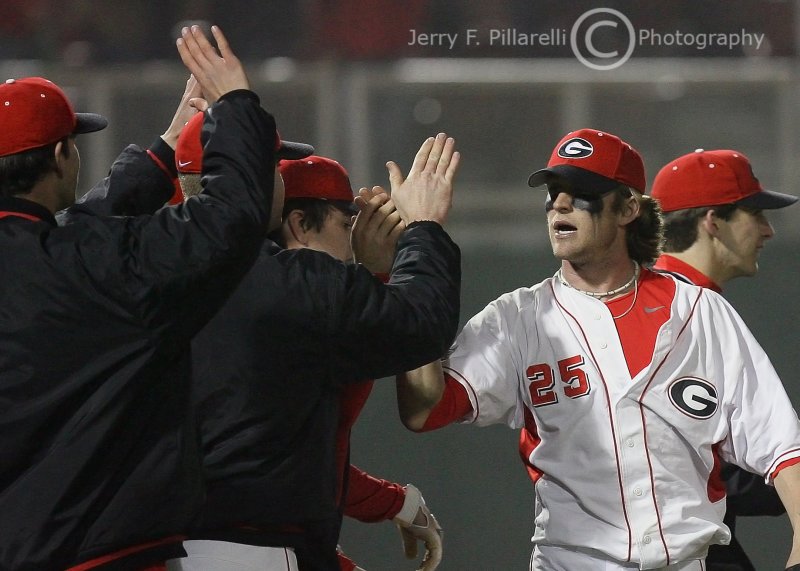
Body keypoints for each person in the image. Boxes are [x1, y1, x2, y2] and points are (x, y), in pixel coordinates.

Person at [395, 128, 800, 570]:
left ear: (628, 208)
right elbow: (423, 408)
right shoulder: (518, 318)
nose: (559, 205)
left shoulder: (700, 311)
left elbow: (782, 445)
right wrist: (422, 240)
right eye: (553, 192)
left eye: (581, 192)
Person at [0, 25, 283, 570]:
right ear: (61, 154)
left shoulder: (65, 253)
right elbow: (229, 222)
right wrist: (236, 108)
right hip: (101, 555)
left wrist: (164, 151)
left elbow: (67, 233)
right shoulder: (92, 263)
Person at [167, 123, 459, 571]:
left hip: (162, 542)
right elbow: (417, 327)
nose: (279, 181)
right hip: (247, 545)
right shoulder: (285, 289)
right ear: (299, 224)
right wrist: (418, 232)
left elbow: (306, 449)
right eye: (346, 223)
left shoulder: (142, 264)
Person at [651, 148, 799, 571]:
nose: (768, 230)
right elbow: (676, 462)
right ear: (713, 221)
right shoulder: (673, 315)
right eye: (755, 214)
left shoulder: (677, 306)